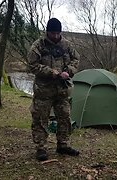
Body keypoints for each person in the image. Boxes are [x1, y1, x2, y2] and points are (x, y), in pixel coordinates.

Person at [27, 18, 80, 161]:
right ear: (47, 31)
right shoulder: (38, 46)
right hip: (44, 90)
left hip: (62, 90)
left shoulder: (67, 45)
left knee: (65, 118)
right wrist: (52, 72)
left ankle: (63, 145)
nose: (56, 36)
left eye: (58, 33)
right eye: (53, 33)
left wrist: (68, 71)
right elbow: (32, 65)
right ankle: (41, 148)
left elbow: (76, 60)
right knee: (40, 119)